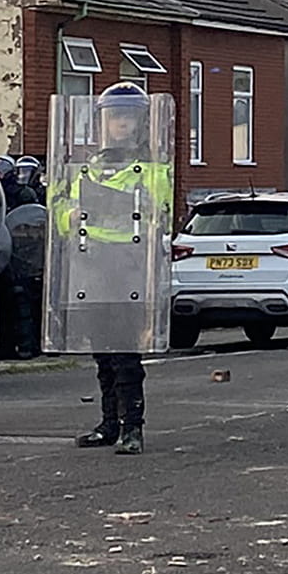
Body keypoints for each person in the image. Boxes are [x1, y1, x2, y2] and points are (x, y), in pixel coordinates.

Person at [57, 82, 173, 455]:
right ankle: (109, 422)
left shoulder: (150, 168)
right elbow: (61, 211)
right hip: (91, 263)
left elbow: (160, 212)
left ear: (140, 123)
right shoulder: (88, 168)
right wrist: (69, 216)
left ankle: (133, 427)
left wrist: (123, 208)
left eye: (126, 118)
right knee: (101, 349)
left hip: (127, 264)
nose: (119, 124)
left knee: (124, 349)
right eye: (112, 117)